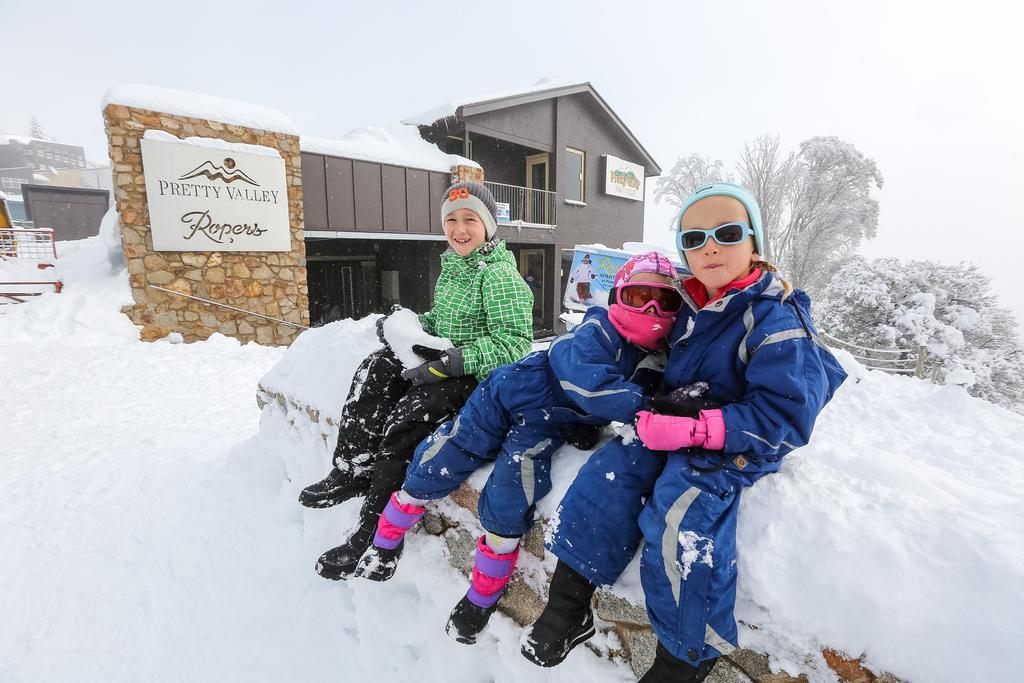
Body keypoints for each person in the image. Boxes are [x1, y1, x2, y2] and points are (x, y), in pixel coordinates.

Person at [521, 183, 847, 682]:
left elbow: (786, 417)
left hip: (739, 440)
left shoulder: (774, 316)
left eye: (727, 232)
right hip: (681, 419)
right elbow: (651, 348)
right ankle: (569, 603)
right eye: (695, 238)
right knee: (615, 467)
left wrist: (699, 429)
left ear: (754, 242)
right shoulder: (688, 304)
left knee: (682, 504)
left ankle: (686, 655)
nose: (710, 246)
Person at [351, 252, 683, 645]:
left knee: (515, 486)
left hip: (547, 421)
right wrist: (647, 409)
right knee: (446, 453)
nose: (650, 308)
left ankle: (482, 594)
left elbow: (610, 401)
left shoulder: (657, 361)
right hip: (505, 393)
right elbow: (588, 383)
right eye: (638, 295)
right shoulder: (597, 329)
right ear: (616, 298)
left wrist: (590, 421)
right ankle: (385, 540)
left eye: (664, 300)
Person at [299, 181, 534, 581]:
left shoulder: (499, 277)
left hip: (474, 376)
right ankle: (351, 469)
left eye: (470, 220)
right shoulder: (454, 269)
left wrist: (455, 362)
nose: (460, 229)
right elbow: (438, 322)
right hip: (441, 359)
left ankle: (374, 532)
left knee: (410, 416)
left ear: (489, 225)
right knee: (374, 371)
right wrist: (403, 326)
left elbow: (515, 344)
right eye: (452, 220)